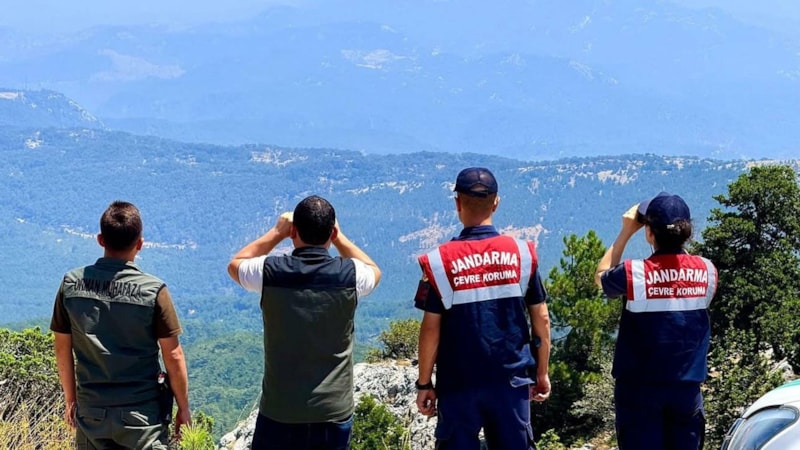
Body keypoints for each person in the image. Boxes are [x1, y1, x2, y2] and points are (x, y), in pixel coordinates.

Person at [227, 195, 381, 450]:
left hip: (280, 409)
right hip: (333, 411)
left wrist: (277, 233)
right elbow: (373, 270)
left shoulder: (271, 273)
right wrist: (339, 237)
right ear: (331, 232)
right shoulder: (350, 276)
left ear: (293, 231)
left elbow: (235, 265)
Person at [413, 167, 551, 450]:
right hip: (511, 380)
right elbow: (542, 318)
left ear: (457, 204)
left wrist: (424, 383)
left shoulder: (439, 262)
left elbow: (430, 329)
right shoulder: (522, 254)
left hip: (459, 383)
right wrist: (541, 372)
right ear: (496, 203)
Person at [50, 201, 191, 450]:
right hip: (141, 418)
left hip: (91, 413)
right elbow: (173, 354)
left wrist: (71, 402)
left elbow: (62, 349)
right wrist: (184, 408)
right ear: (139, 244)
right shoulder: (154, 291)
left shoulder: (71, 285)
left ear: (100, 240)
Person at [595, 192, 718, 450]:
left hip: (638, 392)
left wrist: (626, 232)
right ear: (687, 231)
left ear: (649, 232)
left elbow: (601, 277)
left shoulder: (633, 273)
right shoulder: (708, 271)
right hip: (686, 391)